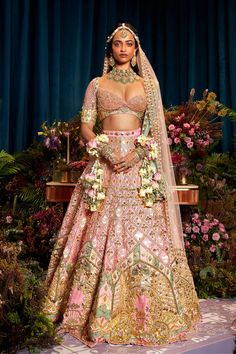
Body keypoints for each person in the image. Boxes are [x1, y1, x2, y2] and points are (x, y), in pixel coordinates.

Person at [43, 22, 200, 347]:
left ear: (136, 48)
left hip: (139, 169)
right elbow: (86, 126)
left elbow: (155, 130)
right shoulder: (97, 83)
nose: (124, 48)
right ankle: (90, 310)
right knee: (99, 229)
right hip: (105, 164)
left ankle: (147, 309)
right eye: (118, 43)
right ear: (110, 49)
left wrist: (140, 154)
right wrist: (105, 149)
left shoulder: (148, 85)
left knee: (142, 233)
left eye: (129, 43)